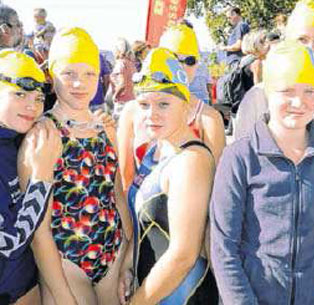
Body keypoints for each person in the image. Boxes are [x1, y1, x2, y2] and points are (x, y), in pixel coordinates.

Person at [210, 40, 314, 305]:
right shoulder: (240, 157)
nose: (298, 102)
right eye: (286, 91)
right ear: (267, 93)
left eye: (310, 91)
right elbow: (223, 247)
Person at [19, 27, 131, 305]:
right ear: (52, 74)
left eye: (89, 74)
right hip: (66, 264)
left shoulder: (104, 128)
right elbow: (37, 230)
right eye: (69, 73)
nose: (79, 84)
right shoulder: (42, 135)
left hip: (113, 253)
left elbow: (117, 195)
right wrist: (63, 297)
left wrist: (130, 251)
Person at [118, 47, 218, 305]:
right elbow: (146, 222)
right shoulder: (158, 149)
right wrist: (128, 265)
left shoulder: (191, 161)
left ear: (185, 106)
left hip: (183, 294)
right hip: (155, 291)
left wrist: (139, 302)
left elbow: (184, 254)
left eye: (164, 103)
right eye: (144, 105)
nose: (152, 114)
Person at [118, 24, 225, 193]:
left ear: (197, 64)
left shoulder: (208, 119)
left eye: (189, 60)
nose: (180, 67)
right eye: (172, 59)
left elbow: (216, 186)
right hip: (138, 212)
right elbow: (125, 180)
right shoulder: (132, 111)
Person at [0, 50, 60, 305]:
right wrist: (41, 180)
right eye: (20, 94)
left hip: (26, 285)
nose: (31, 106)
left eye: (38, 98)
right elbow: (10, 243)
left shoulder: (17, 137)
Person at [234, 0, 314, 140]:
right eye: (302, 39)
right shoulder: (258, 97)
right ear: (288, 41)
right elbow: (241, 152)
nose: (310, 48)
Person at [110, 37, 137, 121]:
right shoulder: (131, 63)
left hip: (122, 101)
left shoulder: (120, 64)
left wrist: (115, 96)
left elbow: (122, 84)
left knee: (119, 127)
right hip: (132, 99)